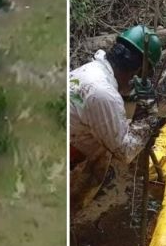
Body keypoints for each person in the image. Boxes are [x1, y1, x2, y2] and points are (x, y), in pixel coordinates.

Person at [69, 25, 161, 209]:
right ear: (137, 72)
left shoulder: (92, 71)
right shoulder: (103, 93)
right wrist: (149, 114)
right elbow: (125, 152)